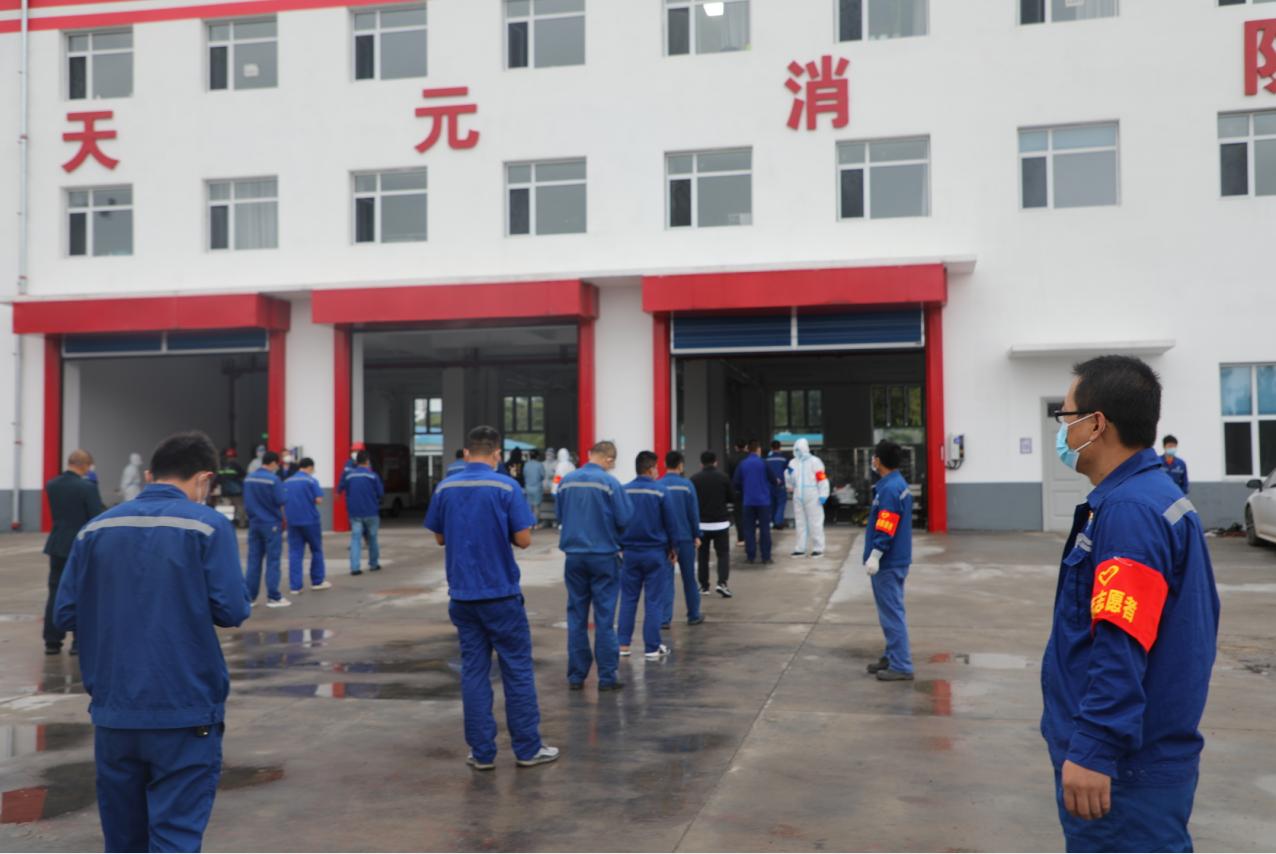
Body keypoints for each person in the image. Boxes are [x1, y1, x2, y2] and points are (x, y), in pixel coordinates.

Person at [1044, 356, 1218, 852]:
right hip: (1145, 760)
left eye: (1066, 416)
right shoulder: (1152, 496)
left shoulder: (1129, 512)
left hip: (1124, 773)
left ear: (1096, 424)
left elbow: (1119, 643)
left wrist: (1095, 748)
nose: (1063, 431)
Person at [53, 431, 251, 851]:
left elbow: (64, 613)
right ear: (205, 479)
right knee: (174, 836)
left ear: (148, 475)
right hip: (183, 709)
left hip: (114, 712)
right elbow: (232, 610)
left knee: (123, 841)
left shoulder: (95, 529)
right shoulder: (208, 526)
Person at [425, 426, 559, 769]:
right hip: (501, 594)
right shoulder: (506, 486)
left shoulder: (445, 487)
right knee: (517, 669)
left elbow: (439, 538)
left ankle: (482, 753)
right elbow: (524, 539)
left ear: (467, 453)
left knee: (473, 671)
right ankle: (527, 749)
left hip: (462, 596)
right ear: (497, 454)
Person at [556, 441, 632, 690]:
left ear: (590, 455)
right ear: (609, 459)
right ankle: (607, 677)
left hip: (574, 557)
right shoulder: (610, 483)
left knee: (576, 616)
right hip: (603, 557)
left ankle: (576, 676)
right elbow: (625, 518)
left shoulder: (567, 481)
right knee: (604, 617)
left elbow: (560, 515)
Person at [617, 451, 680, 660]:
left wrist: (620, 546)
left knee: (628, 599)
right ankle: (652, 648)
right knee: (653, 601)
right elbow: (671, 523)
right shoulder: (661, 491)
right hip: (655, 554)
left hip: (630, 554)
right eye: (656, 467)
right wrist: (674, 549)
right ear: (650, 468)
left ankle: (623, 645)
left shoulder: (623, 491)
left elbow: (616, 521)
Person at [42, 449, 106, 655]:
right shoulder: (87, 487)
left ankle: (52, 641)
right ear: (85, 465)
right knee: (83, 591)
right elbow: (96, 516)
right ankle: (78, 642)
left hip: (57, 544)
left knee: (55, 592)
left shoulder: (52, 485)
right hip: (80, 545)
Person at [863, 440, 914, 682]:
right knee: (891, 610)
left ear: (879, 461)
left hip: (888, 562)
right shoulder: (896, 484)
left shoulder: (889, 489)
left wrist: (875, 555)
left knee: (891, 613)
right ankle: (891, 656)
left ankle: (901, 665)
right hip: (897, 559)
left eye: (874, 456)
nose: (872, 460)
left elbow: (886, 525)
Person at [243, 451, 301, 607]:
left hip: (254, 524)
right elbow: (281, 500)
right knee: (273, 561)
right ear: (274, 463)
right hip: (271, 524)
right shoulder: (273, 479)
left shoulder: (249, 478)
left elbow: (246, 502)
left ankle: (250, 598)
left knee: (253, 561)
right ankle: (273, 597)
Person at [659, 451, 704, 627]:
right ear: (680, 465)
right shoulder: (687, 485)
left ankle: (664, 619)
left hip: (664, 541)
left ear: (665, 464)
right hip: (685, 538)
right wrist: (696, 535)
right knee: (689, 578)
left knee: (666, 579)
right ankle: (693, 615)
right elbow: (693, 513)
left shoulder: (658, 485)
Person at [691, 451, 734, 598]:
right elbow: (731, 497)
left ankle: (704, 586)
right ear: (716, 462)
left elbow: (692, 501)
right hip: (720, 523)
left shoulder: (694, 479)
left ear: (701, 463)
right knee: (723, 554)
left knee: (703, 555)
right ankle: (722, 583)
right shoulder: (723, 477)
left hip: (702, 524)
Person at [284, 458, 326, 594]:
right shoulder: (311, 481)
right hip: (310, 521)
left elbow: (282, 500)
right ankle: (317, 581)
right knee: (316, 550)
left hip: (292, 521)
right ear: (310, 467)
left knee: (295, 553)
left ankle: (295, 586)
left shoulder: (287, 481)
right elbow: (319, 500)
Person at [338, 450, 385, 576]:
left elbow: (341, 489)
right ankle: (373, 564)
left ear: (356, 461)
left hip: (355, 513)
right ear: (367, 461)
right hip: (371, 512)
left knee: (355, 539)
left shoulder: (349, 476)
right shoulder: (372, 476)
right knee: (373, 538)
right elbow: (380, 493)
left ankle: (355, 568)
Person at [733, 440, 777, 565]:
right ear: (758, 450)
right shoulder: (764, 463)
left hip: (748, 501)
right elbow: (773, 480)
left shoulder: (742, 464)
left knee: (749, 530)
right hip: (763, 502)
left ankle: (750, 556)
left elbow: (736, 482)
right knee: (764, 530)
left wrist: (745, 488)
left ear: (748, 450)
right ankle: (766, 557)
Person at [786, 438, 831, 558]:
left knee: (815, 522)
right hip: (798, 495)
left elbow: (821, 478)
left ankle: (818, 548)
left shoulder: (815, 462)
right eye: (796, 450)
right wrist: (789, 483)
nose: (798, 452)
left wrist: (823, 494)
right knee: (800, 523)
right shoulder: (792, 463)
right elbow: (789, 478)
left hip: (813, 495)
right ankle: (800, 548)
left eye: (799, 449)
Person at [725, 439, 749, 545]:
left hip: (737, 490)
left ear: (735, 447)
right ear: (746, 447)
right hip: (749, 489)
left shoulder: (731, 459)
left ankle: (741, 538)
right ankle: (750, 537)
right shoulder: (749, 458)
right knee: (750, 514)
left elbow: (728, 476)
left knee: (738, 515)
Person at [216, 447, 246, 527]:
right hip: (236, 491)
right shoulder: (236, 465)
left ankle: (227, 525)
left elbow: (217, 478)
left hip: (225, 491)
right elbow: (243, 474)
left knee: (227, 508)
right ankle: (242, 524)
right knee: (240, 507)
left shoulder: (221, 466)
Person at [766, 441, 789, 529]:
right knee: (781, 504)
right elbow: (789, 472)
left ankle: (772, 522)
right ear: (780, 448)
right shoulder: (784, 459)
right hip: (781, 485)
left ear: (771, 448)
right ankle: (778, 522)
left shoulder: (767, 459)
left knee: (772, 504)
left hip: (770, 485)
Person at [523, 449, 546, 525]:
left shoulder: (526, 465)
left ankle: (529, 523)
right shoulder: (539, 465)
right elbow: (543, 476)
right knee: (536, 506)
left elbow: (524, 475)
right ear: (537, 456)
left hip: (528, 487)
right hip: (537, 488)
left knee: (529, 507)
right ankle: (535, 523)